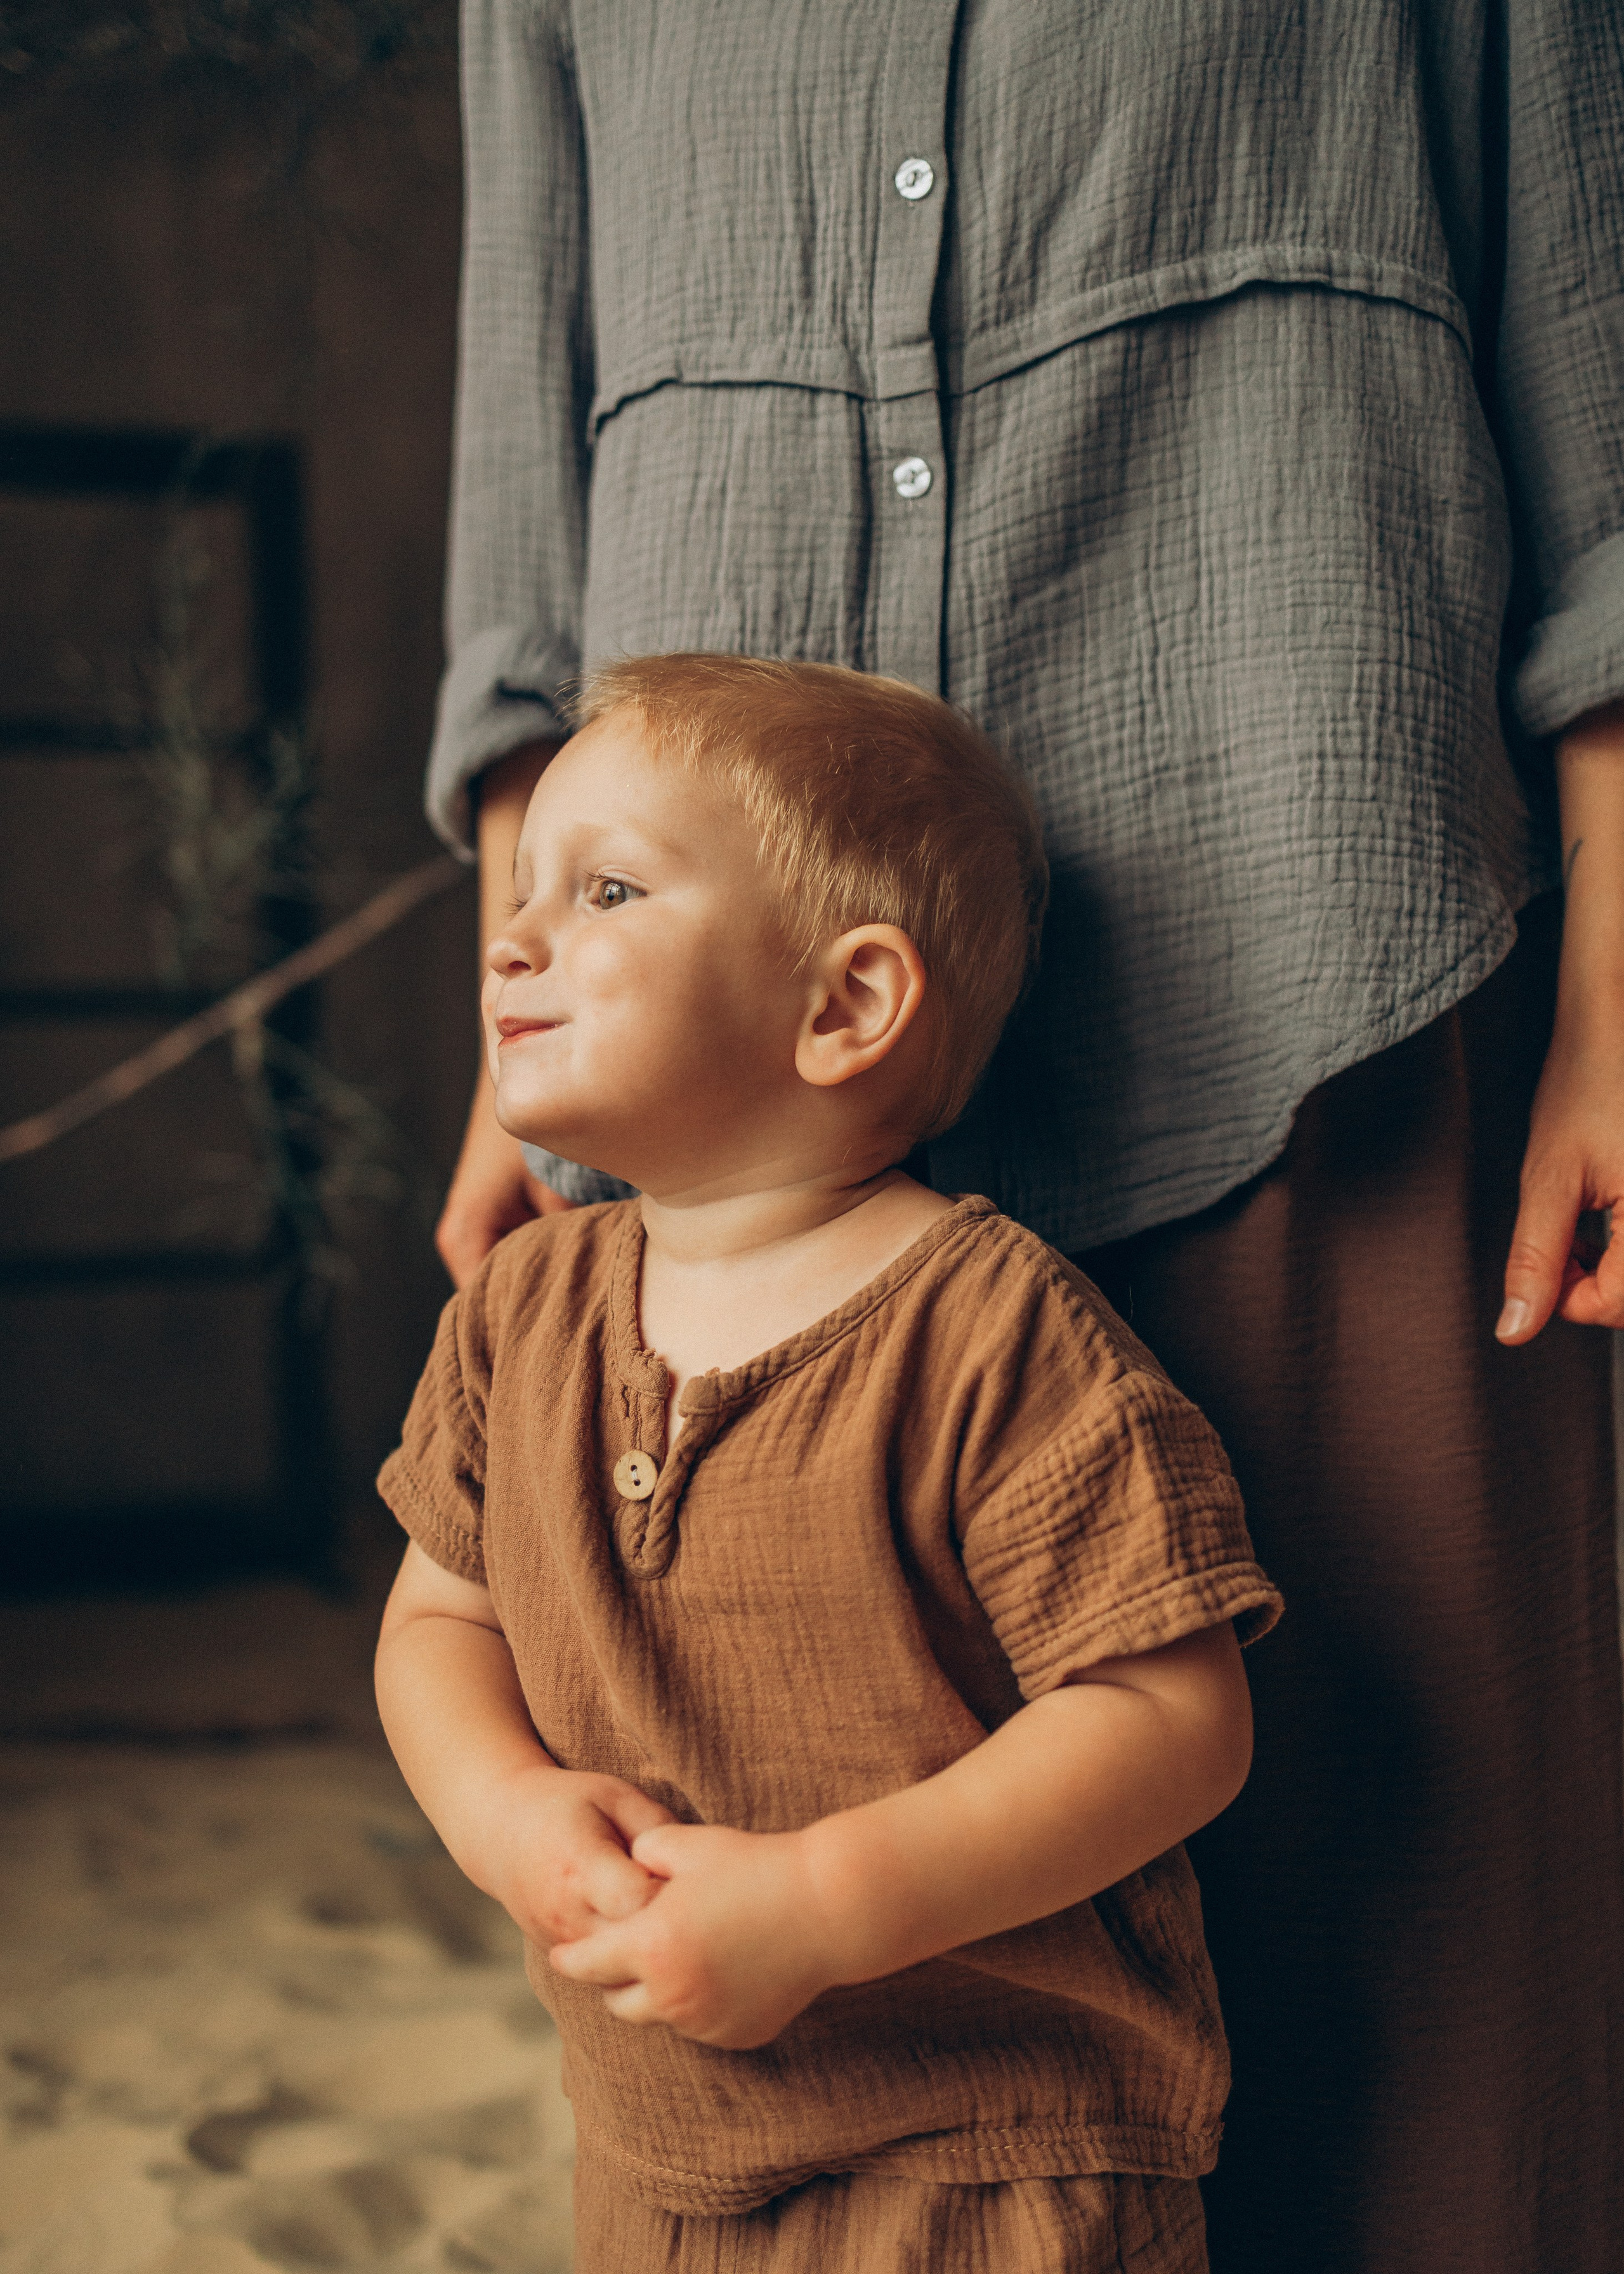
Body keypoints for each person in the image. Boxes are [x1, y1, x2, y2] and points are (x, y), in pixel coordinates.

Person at [422, 9, 1624, 2268]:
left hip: (1319, 879)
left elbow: (1594, 283)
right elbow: (527, 415)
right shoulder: (578, 1263)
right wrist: (541, 958)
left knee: (1425, 1912)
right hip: (703, 979)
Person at [376, 656, 1282, 2271]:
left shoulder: (989, 1330)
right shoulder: (522, 1318)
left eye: (603, 889)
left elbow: (1173, 1717)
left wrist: (822, 1903)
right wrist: (504, 1813)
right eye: (520, 895)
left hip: (989, 2159)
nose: (513, 939)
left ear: (843, 1004)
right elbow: (437, 1625)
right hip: (659, 2143)